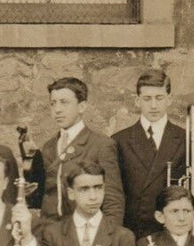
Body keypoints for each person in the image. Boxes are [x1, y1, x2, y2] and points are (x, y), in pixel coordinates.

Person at [112, 69, 194, 237]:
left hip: (174, 235)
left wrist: (187, 224)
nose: (153, 105)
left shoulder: (186, 138)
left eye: (159, 98)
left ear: (169, 99)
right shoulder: (119, 141)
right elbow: (112, 194)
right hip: (132, 235)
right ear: (137, 101)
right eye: (147, 99)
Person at [26, 77, 123, 224]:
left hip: (85, 235)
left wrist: (107, 238)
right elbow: (44, 197)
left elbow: (113, 201)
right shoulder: (48, 147)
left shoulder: (101, 145)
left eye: (64, 102)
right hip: (51, 235)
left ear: (82, 106)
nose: (57, 109)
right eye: (53, 103)